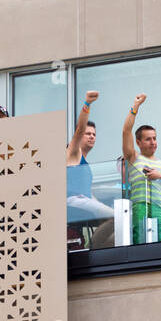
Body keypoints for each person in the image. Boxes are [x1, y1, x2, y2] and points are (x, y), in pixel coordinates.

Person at [120, 93, 161, 243]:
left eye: (154, 138)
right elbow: (126, 131)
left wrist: (160, 177)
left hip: (160, 207)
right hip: (139, 205)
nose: (153, 142)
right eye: (148, 139)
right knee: (140, 240)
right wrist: (135, 107)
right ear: (138, 142)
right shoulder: (133, 157)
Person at [66, 89, 116, 248]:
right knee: (116, 217)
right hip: (72, 201)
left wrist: (102, 206)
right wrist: (87, 103)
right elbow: (80, 128)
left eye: (94, 134)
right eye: (88, 134)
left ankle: (96, 251)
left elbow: (89, 194)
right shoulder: (73, 153)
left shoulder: (86, 164)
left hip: (84, 201)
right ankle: (91, 248)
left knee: (116, 230)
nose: (92, 136)